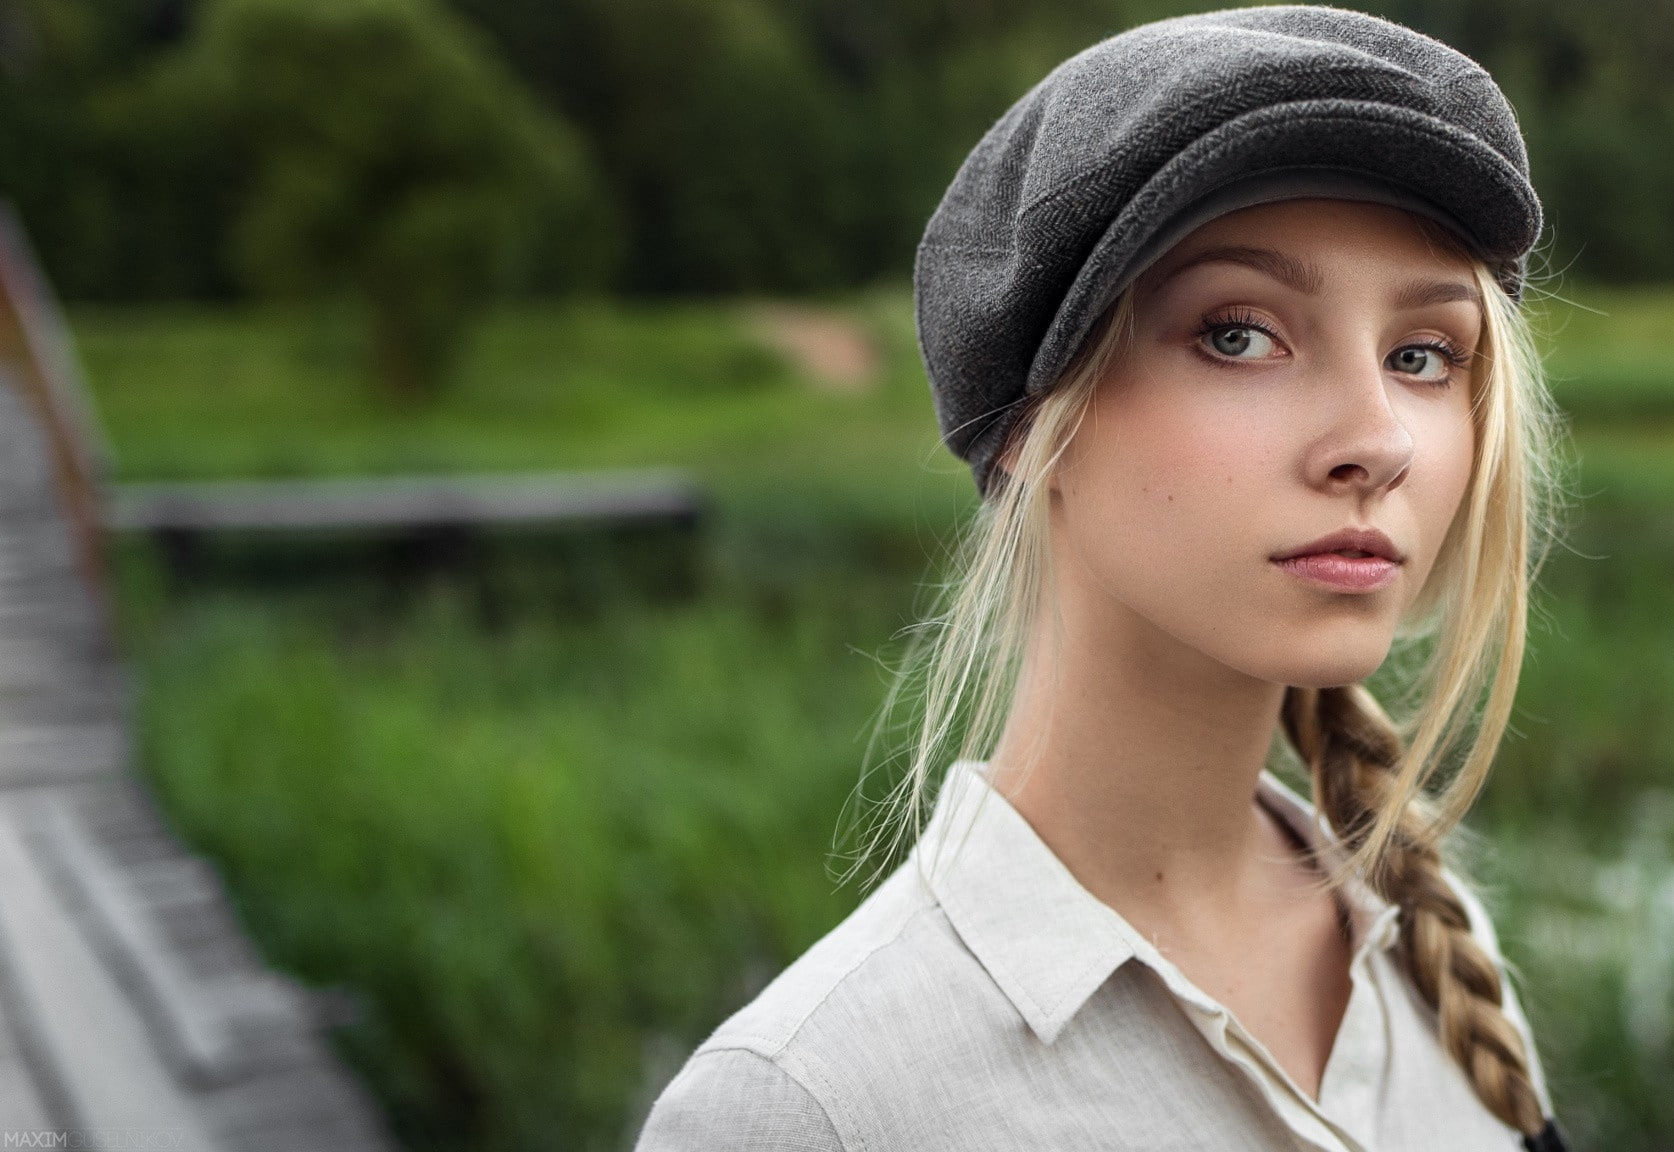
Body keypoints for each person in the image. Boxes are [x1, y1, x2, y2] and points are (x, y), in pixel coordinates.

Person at [634, 6, 1572, 1150]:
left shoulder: (1431, 952)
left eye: (1421, 356)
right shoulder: (811, 1104)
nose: (1376, 440)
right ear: (1034, 421)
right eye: (1238, 334)